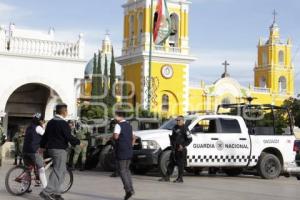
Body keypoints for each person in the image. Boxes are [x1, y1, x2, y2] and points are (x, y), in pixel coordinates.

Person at [39, 104, 80, 200]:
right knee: (58, 171)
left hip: (51, 149)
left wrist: (41, 146)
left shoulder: (51, 122)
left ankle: (56, 193)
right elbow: (68, 137)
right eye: (67, 111)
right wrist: (78, 142)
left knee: (62, 171)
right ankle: (46, 192)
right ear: (64, 112)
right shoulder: (63, 123)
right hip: (59, 150)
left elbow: (45, 136)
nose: (67, 113)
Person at [159, 116, 192, 183]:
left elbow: (190, 139)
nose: (177, 121)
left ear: (183, 121)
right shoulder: (175, 127)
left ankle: (180, 178)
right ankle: (167, 177)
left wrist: (182, 145)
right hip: (174, 148)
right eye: (177, 120)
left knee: (180, 164)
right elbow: (174, 137)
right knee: (171, 163)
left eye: (179, 120)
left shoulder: (185, 128)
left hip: (181, 150)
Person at [113, 111, 135, 200]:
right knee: (127, 170)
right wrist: (131, 144)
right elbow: (134, 137)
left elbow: (116, 137)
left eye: (115, 116)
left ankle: (128, 190)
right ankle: (131, 189)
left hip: (121, 150)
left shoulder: (118, 125)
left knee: (122, 171)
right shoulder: (129, 125)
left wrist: (112, 135)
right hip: (129, 150)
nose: (114, 118)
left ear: (119, 117)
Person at [22, 113, 47, 190]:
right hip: (33, 151)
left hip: (25, 150)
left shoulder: (29, 127)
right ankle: (47, 190)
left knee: (28, 170)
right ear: (40, 121)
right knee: (41, 169)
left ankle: (24, 188)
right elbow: (46, 136)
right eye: (42, 121)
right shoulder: (38, 128)